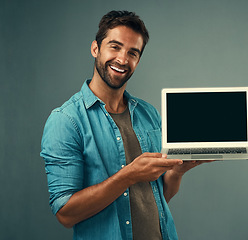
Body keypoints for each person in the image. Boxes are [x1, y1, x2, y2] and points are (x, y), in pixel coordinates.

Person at [40, 10, 207, 240]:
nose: (122, 59)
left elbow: (155, 198)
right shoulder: (66, 120)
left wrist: (177, 172)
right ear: (95, 49)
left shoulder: (149, 114)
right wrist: (128, 176)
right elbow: (65, 214)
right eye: (115, 46)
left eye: (133, 53)